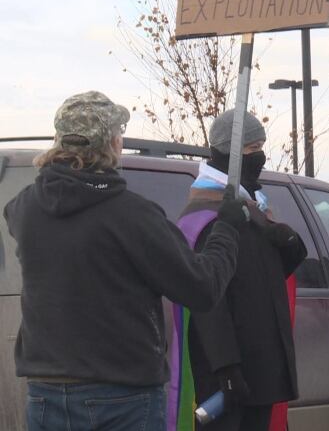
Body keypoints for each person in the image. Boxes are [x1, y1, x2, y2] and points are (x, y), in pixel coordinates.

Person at [6, 91, 245, 431]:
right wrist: (227, 230)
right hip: (121, 397)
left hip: (45, 394)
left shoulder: (25, 209)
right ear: (112, 144)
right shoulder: (132, 216)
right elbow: (201, 287)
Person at [179, 109, 307, 431]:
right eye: (251, 150)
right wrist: (226, 365)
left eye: (261, 147)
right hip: (229, 373)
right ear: (227, 154)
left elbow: (271, 276)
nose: (260, 157)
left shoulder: (254, 206)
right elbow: (208, 299)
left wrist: (287, 241)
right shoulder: (208, 214)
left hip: (261, 365)